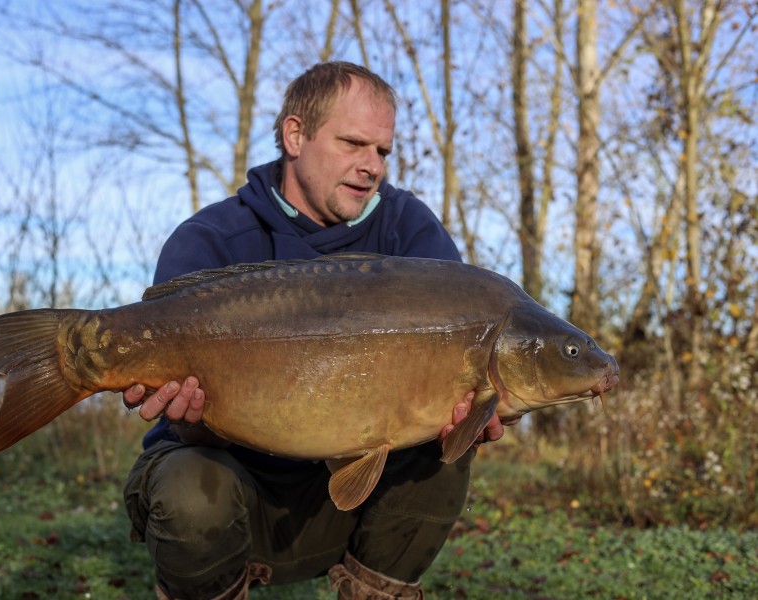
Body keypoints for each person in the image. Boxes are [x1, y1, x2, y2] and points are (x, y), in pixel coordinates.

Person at [121, 61, 513, 600]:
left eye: (382, 151)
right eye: (353, 144)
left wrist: (476, 414)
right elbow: (185, 426)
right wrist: (192, 418)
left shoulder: (409, 233)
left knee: (443, 453)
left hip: (350, 503)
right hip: (236, 489)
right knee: (190, 487)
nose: (371, 166)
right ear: (295, 135)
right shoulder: (212, 240)